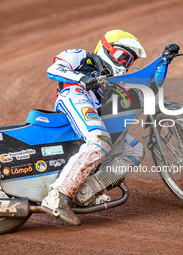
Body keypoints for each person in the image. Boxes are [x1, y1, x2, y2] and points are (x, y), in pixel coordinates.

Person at [41, 29, 148, 226]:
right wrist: (80, 78)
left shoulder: (112, 81)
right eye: (122, 57)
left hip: (94, 112)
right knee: (99, 139)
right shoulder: (81, 56)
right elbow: (54, 69)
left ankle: (84, 192)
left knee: (134, 149)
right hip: (73, 94)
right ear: (107, 49)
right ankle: (58, 196)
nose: (124, 65)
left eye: (129, 61)